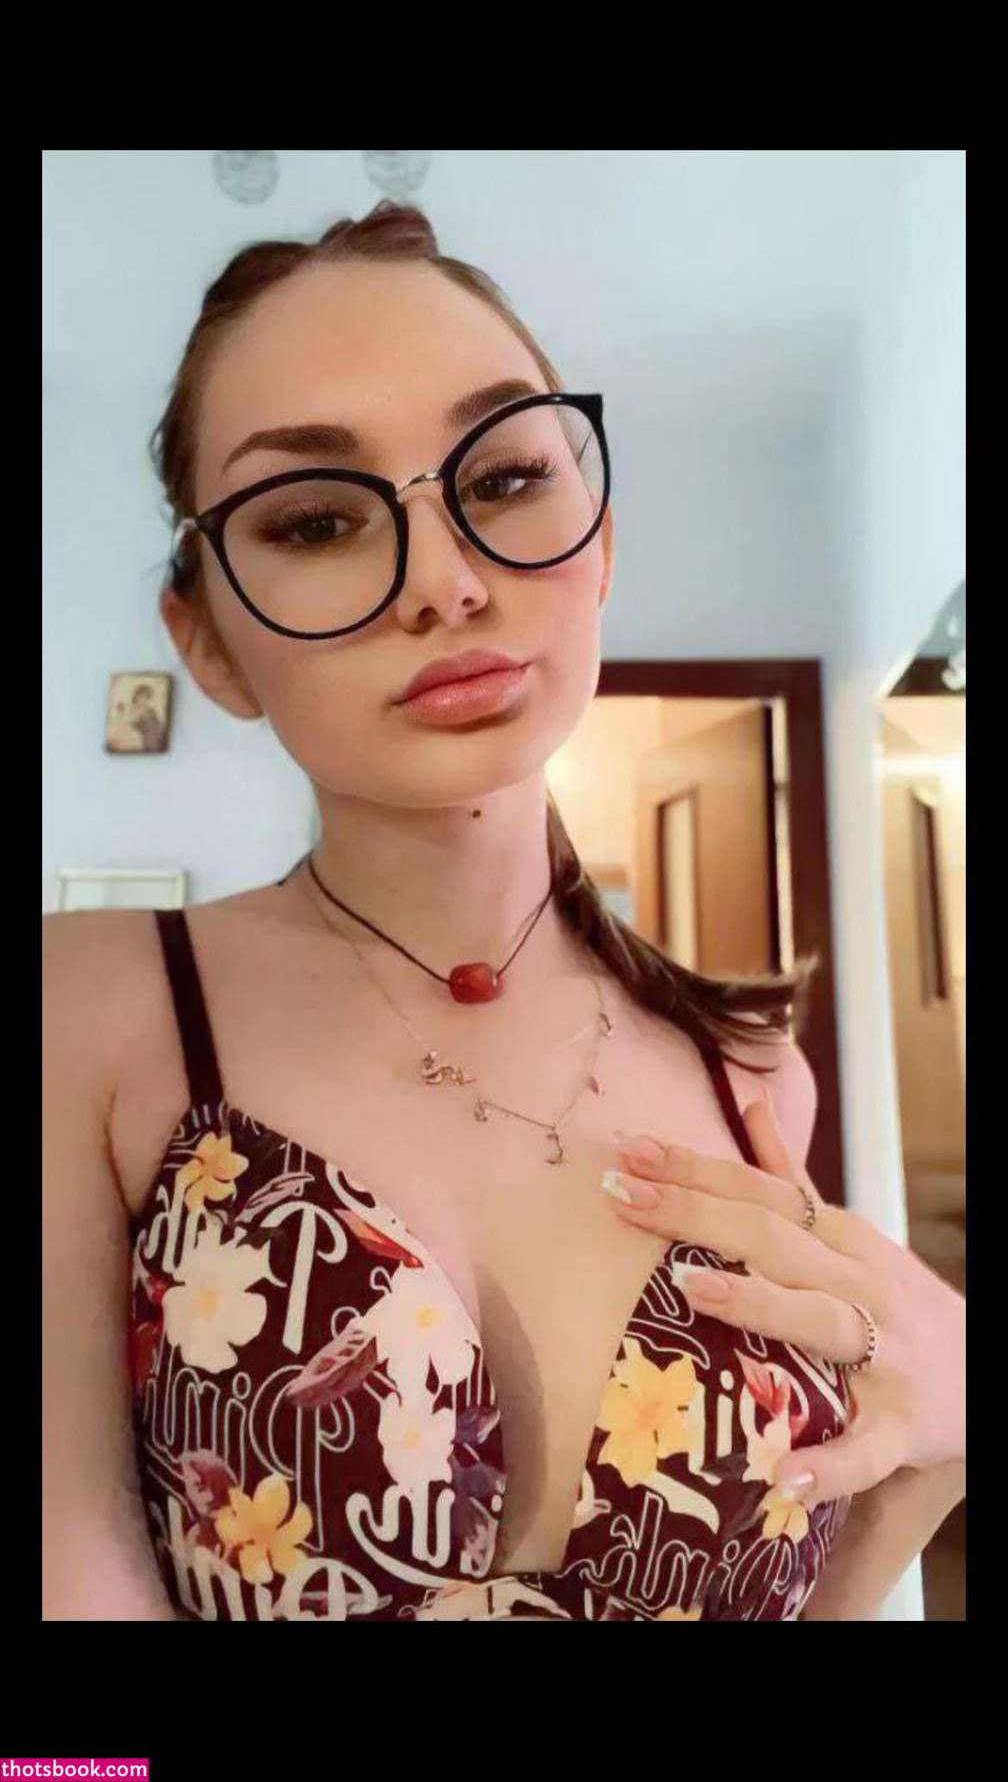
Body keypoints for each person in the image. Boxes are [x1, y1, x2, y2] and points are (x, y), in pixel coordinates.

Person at [43, 200, 965, 1622]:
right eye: (317, 520)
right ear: (209, 642)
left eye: (508, 476)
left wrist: (930, 1464)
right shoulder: (92, 1013)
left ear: (600, 547)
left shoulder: (752, 1079)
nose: (445, 581)